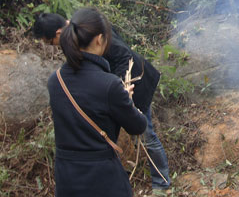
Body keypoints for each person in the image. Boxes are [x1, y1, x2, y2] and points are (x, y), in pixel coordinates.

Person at [34, 13, 171, 195]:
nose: (52, 46)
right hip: (111, 96)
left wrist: (119, 88)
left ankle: (161, 182)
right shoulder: (81, 32)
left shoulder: (87, 33)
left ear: (59, 33)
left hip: (130, 86)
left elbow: (124, 56)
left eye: (50, 42)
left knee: (147, 136)